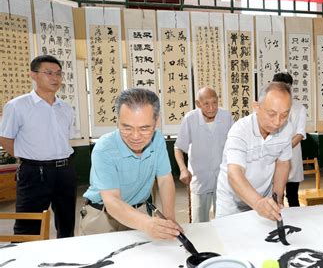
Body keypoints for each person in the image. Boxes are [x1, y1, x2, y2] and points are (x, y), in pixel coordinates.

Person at [79, 88, 182, 240]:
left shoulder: (158, 140)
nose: (135, 136)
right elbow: (112, 200)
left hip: (139, 210)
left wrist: (169, 219)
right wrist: (147, 224)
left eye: (144, 128)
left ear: (156, 122)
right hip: (102, 215)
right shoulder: (104, 148)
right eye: (126, 127)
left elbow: (165, 180)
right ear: (117, 120)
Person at [0, 55, 77, 238]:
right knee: (28, 227)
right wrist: (28, 159)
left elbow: (66, 138)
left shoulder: (66, 108)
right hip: (34, 173)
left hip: (65, 171)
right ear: (33, 75)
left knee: (67, 224)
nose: (55, 78)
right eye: (48, 73)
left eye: (58, 73)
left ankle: (67, 263)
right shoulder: (17, 106)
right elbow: (5, 138)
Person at [215, 82, 293, 220]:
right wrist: (257, 203)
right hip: (233, 202)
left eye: (284, 115)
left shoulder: (286, 129)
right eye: (272, 114)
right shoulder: (240, 131)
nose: (277, 122)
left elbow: (283, 164)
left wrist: (277, 198)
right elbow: (235, 173)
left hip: (264, 197)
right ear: (256, 107)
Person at [174, 87, 233, 222]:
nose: (212, 108)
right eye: (206, 104)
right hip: (200, 179)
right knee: (199, 223)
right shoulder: (190, 119)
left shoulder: (226, 116)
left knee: (225, 221)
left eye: (215, 103)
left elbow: (234, 144)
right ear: (198, 103)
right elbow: (178, 147)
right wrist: (183, 170)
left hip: (223, 179)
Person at [272, 72, 306, 207]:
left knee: (292, 196)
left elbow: (300, 134)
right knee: (274, 196)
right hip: (272, 157)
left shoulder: (299, 108)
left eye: (286, 88)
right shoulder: (268, 107)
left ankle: (295, 225)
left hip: (292, 156)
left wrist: (283, 149)